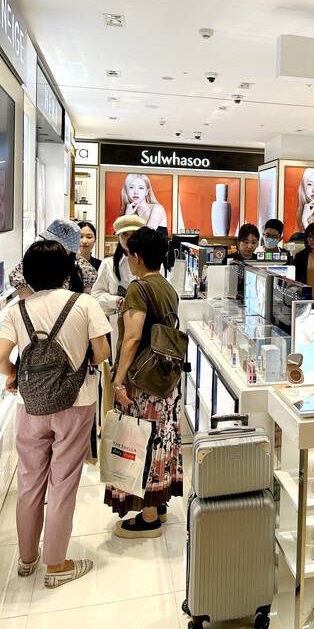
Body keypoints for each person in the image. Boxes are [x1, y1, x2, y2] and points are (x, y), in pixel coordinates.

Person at [0, 241, 111, 588]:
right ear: (67, 272)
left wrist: (13, 374)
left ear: (28, 273)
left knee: (30, 481)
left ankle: (27, 558)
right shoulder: (84, 303)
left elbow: (1, 356)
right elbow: (102, 352)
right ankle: (57, 564)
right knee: (63, 483)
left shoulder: (17, 309)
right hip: (76, 403)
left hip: (30, 405)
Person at [107, 227, 183, 537]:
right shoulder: (167, 286)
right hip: (163, 380)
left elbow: (133, 337)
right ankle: (158, 503)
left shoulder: (138, 288)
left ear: (136, 257)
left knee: (141, 441)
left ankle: (149, 516)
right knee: (161, 438)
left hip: (142, 381)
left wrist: (118, 380)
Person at [92, 215, 145, 361]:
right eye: (125, 234)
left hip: (146, 327)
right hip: (116, 327)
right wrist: (116, 301)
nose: (130, 239)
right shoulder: (108, 264)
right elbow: (95, 297)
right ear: (118, 237)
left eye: (134, 234)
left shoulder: (152, 264)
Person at [9, 219, 98, 298]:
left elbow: (86, 299)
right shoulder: (34, 258)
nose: (53, 247)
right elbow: (18, 282)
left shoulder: (82, 268)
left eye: (60, 245)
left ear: (71, 250)